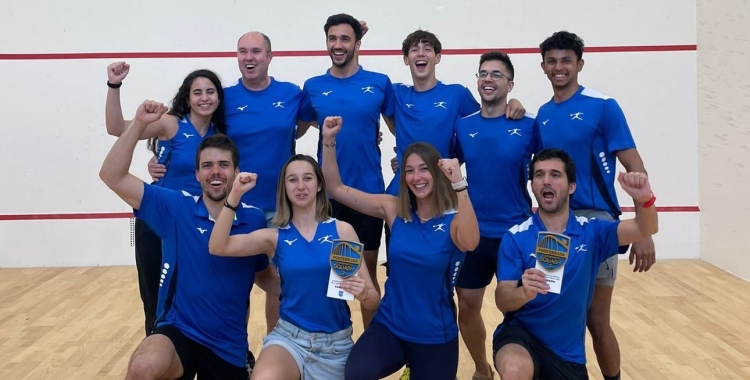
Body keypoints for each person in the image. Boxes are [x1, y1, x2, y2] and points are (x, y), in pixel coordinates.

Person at [100, 100, 269, 379]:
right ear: (197, 174)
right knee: (143, 365)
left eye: (224, 165)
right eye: (207, 165)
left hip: (228, 346)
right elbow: (112, 176)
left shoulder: (254, 219)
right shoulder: (175, 207)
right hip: (178, 332)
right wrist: (139, 124)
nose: (215, 171)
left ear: (237, 172)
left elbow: (264, 275)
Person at [533, 30, 656, 380]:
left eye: (566, 61)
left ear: (579, 64)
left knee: (596, 318)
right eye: (552, 62)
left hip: (598, 222)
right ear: (543, 66)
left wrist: (642, 227)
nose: (559, 68)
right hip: (555, 224)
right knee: (554, 309)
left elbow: (636, 168)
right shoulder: (542, 114)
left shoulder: (603, 106)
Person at [319, 116, 480, 379]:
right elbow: (336, 188)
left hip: (434, 335)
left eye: (424, 169)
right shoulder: (394, 209)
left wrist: (459, 183)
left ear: (437, 172)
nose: (416, 177)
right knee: (357, 372)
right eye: (409, 170)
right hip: (390, 326)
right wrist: (328, 140)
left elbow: (471, 242)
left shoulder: (453, 220)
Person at [208, 154, 380, 380]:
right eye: (292, 180)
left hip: (335, 346)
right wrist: (235, 196)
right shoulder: (274, 237)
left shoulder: (342, 231)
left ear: (319, 185)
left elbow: (373, 299)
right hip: (289, 339)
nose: (300, 186)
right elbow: (218, 246)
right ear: (284, 188)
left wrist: (363, 293)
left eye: (307, 178)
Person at [492, 148, 658, 380]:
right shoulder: (516, 236)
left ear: (571, 187)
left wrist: (644, 200)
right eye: (539, 175)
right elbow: (503, 300)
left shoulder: (592, 231)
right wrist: (523, 293)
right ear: (533, 185)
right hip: (521, 337)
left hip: (567, 356)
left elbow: (645, 228)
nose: (546, 180)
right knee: (514, 370)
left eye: (555, 175)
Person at [104, 63, 226, 336]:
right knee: (155, 296)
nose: (204, 97)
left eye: (210, 91)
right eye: (197, 92)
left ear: (218, 98)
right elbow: (115, 128)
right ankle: (156, 348)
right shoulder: (170, 123)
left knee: (197, 294)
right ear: (187, 98)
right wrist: (114, 86)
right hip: (158, 220)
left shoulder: (221, 134)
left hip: (199, 224)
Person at [301, 13, 395, 328]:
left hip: (368, 193)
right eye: (332, 39)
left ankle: (370, 348)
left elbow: (402, 129)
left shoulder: (379, 83)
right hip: (327, 196)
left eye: (345, 39)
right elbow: (296, 129)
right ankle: (337, 344)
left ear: (357, 43)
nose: (338, 45)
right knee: (332, 273)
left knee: (366, 273)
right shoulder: (313, 86)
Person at [452, 51, 538, 380]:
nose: (488, 79)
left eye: (497, 75)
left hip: (515, 236)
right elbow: (448, 166)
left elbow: (547, 173)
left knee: (521, 308)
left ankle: (521, 367)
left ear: (510, 84)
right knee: (467, 309)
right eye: (483, 73)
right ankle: (481, 369)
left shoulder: (528, 125)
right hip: (474, 235)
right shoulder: (463, 125)